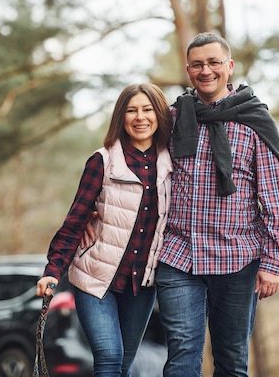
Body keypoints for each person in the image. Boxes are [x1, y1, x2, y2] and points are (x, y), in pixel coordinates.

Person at [155, 32, 279, 377]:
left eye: (214, 63)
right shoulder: (172, 119)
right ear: (189, 71)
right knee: (182, 354)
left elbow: (274, 198)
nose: (206, 71)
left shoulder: (254, 121)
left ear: (229, 67)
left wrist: (272, 263)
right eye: (198, 64)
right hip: (178, 255)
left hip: (237, 260)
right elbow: (139, 170)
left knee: (231, 361)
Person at [36, 83, 173, 377]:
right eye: (131, 110)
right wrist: (53, 270)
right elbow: (75, 221)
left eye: (148, 109)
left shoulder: (173, 165)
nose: (140, 117)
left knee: (123, 364)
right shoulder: (102, 161)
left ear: (160, 115)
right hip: (95, 280)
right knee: (109, 357)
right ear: (120, 118)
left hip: (141, 285)